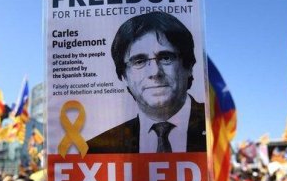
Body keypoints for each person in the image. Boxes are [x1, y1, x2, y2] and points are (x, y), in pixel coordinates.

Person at [87, 11, 206, 153]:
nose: (155, 72)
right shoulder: (97, 149)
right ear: (124, 76)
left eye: (166, 58)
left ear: (189, 66)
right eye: (139, 61)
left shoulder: (219, 127)